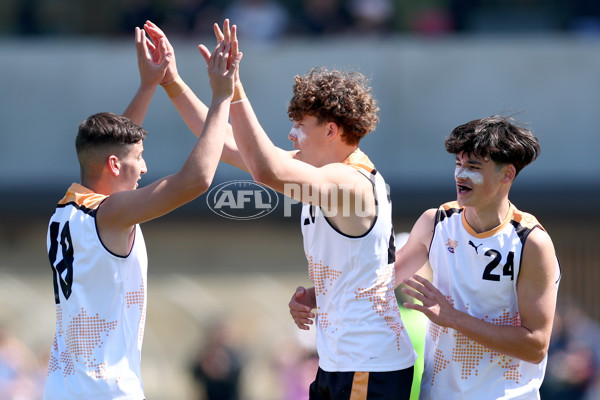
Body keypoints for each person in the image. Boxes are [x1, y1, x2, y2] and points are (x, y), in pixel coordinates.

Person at [134, 20, 416, 399]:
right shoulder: (327, 174)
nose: (291, 134)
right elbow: (231, 146)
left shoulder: (352, 182)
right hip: (341, 362)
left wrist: (234, 90)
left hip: (368, 365)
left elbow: (266, 169)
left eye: (300, 125)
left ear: (331, 130)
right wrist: (172, 81)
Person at [291, 115, 561, 399]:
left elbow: (535, 345)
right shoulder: (437, 222)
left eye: (473, 167)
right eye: (458, 164)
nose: (460, 175)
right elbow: (377, 283)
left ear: (507, 175)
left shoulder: (530, 242)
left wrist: (453, 318)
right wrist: (317, 297)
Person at [43, 26, 241, 398]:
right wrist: (220, 99)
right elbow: (195, 180)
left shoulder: (66, 209)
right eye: (140, 160)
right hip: (106, 390)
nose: (145, 168)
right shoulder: (111, 213)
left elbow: (116, 147)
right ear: (116, 166)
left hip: (61, 388)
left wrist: (149, 84)